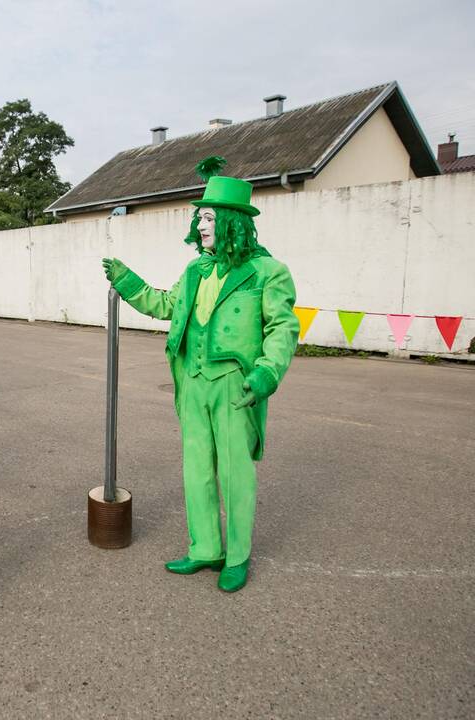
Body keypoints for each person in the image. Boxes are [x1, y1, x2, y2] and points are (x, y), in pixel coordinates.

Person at [102, 156, 299, 593]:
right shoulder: (195, 269)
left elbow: (282, 328)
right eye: (200, 217)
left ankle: (238, 556)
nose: (201, 225)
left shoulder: (268, 272)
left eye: (209, 217)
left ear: (231, 221)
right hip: (191, 381)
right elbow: (167, 305)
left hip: (235, 384)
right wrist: (128, 281)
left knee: (235, 472)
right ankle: (206, 548)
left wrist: (267, 373)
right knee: (197, 469)